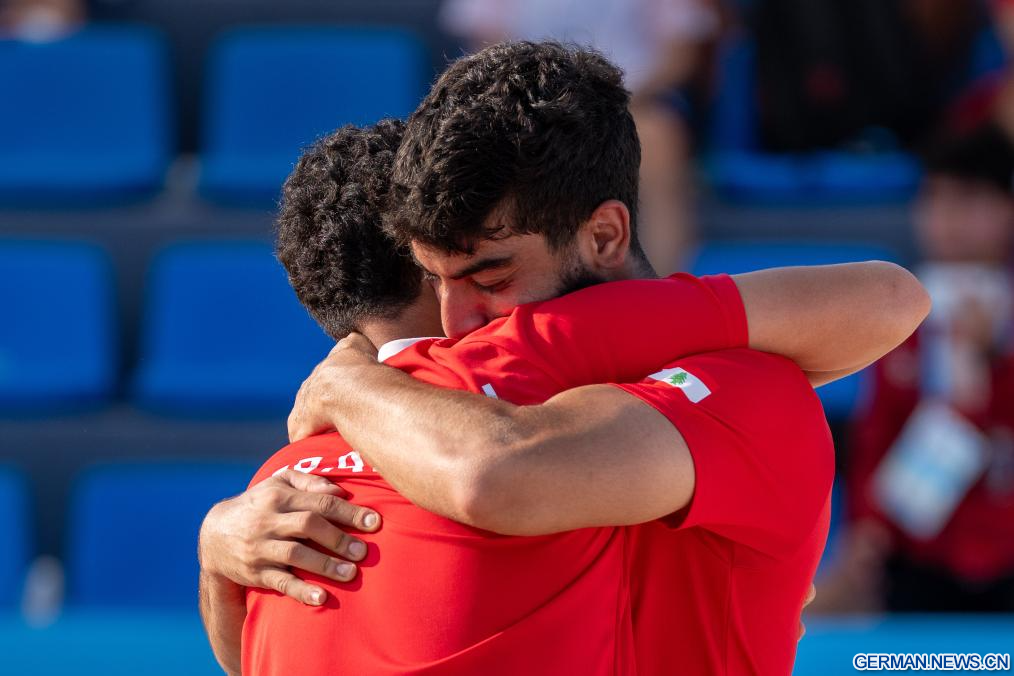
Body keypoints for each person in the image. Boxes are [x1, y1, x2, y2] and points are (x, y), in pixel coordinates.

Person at [199, 43, 929, 675]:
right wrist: (216, 549)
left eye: (490, 277)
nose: (457, 323)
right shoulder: (408, 422)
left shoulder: (744, 392)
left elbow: (495, 473)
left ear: (605, 237)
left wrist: (349, 384)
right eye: (437, 281)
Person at [819, 124, 1014, 614]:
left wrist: (986, 373)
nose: (949, 220)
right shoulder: (900, 319)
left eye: (968, 200)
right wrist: (867, 529)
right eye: (936, 199)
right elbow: (877, 439)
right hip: (920, 561)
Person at [439, 0, 723, 273]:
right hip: (529, 108)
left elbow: (680, 55)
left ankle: (661, 292)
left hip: (634, 103)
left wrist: (611, 101)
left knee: (659, 138)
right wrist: (540, 104)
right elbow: (487, 49)